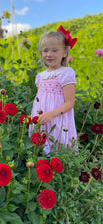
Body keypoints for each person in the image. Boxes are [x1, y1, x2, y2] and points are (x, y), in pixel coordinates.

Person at [29, 25, 78, 155]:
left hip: (57, 120)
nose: (49, 54)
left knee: (58, 151)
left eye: (55, 50)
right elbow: (40, 101)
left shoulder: (66, 73)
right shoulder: (41, 76)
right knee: (40, 153)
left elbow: (69, 103)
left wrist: (51, 114)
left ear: (65, 52)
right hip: (41, 119)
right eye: (45, 50)